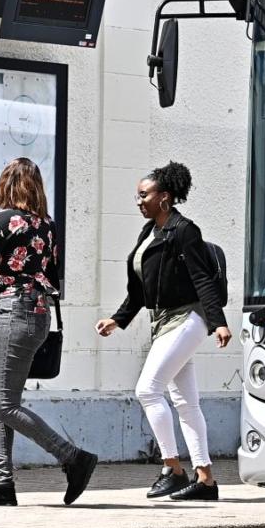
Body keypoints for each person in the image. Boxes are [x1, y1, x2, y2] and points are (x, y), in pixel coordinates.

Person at [0, 157, 98, 507]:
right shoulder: (47, 226)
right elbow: (52, 271)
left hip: (14, 310)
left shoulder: (3, 221)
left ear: (6, 184)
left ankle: (72, 457)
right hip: (37, 313)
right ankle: (1, 483)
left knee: (2, 403)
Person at [96, 161, 231, 502]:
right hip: (164, 321)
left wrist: (218, 321)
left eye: (144, 195)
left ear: (165, 197)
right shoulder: (149, 232)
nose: (138, 201)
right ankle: (206, 481)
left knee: (147, 389)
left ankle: (173, 469)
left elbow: (202, 278)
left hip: (188, 317)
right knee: (186, 402)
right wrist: (118, 319)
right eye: (137, 196)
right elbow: (140, 289)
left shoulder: (184, 231)